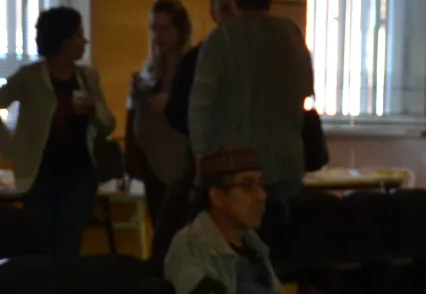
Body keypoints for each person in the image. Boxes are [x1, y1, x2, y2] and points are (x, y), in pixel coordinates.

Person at [0, 8, 115, 258]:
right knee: (42, 247)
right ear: (63, 41)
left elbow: (109, 124)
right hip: (40, 177)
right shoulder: (29, 77)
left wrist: (93, 108)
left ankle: (64, 284)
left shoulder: (88, 77)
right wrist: (10, 148)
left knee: (68, 248)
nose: (85, 41)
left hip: (79, 176)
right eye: (79, 35)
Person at [189, 0, 314, 206]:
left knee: (239, 225)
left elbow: (199, 106)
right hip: (286, 161)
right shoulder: (291, 35)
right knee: (281, 224)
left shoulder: (222, 39)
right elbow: (306, 89)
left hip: (236, 168)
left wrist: (201, 158)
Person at [151, 0, 243, 265]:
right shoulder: (197, 59)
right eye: (224, 9)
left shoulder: (258, 55)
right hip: (203, 162)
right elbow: (180, 114)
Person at [165, 146, 286, 294]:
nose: (261, 196)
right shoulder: (192, 247)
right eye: (247, 186)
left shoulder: (254, 244)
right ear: (217, 196)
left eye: (261, 185)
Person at [128, 1, 193, 231]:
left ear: (180, 30)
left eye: (165, 28)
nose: (158, 36)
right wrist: (136, 97)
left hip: (183, 166)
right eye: (154, 28)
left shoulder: (192, 68)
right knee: (159, 230)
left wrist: (172, 103)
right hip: (152, 165)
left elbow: (200, 115)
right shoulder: (151, 70)